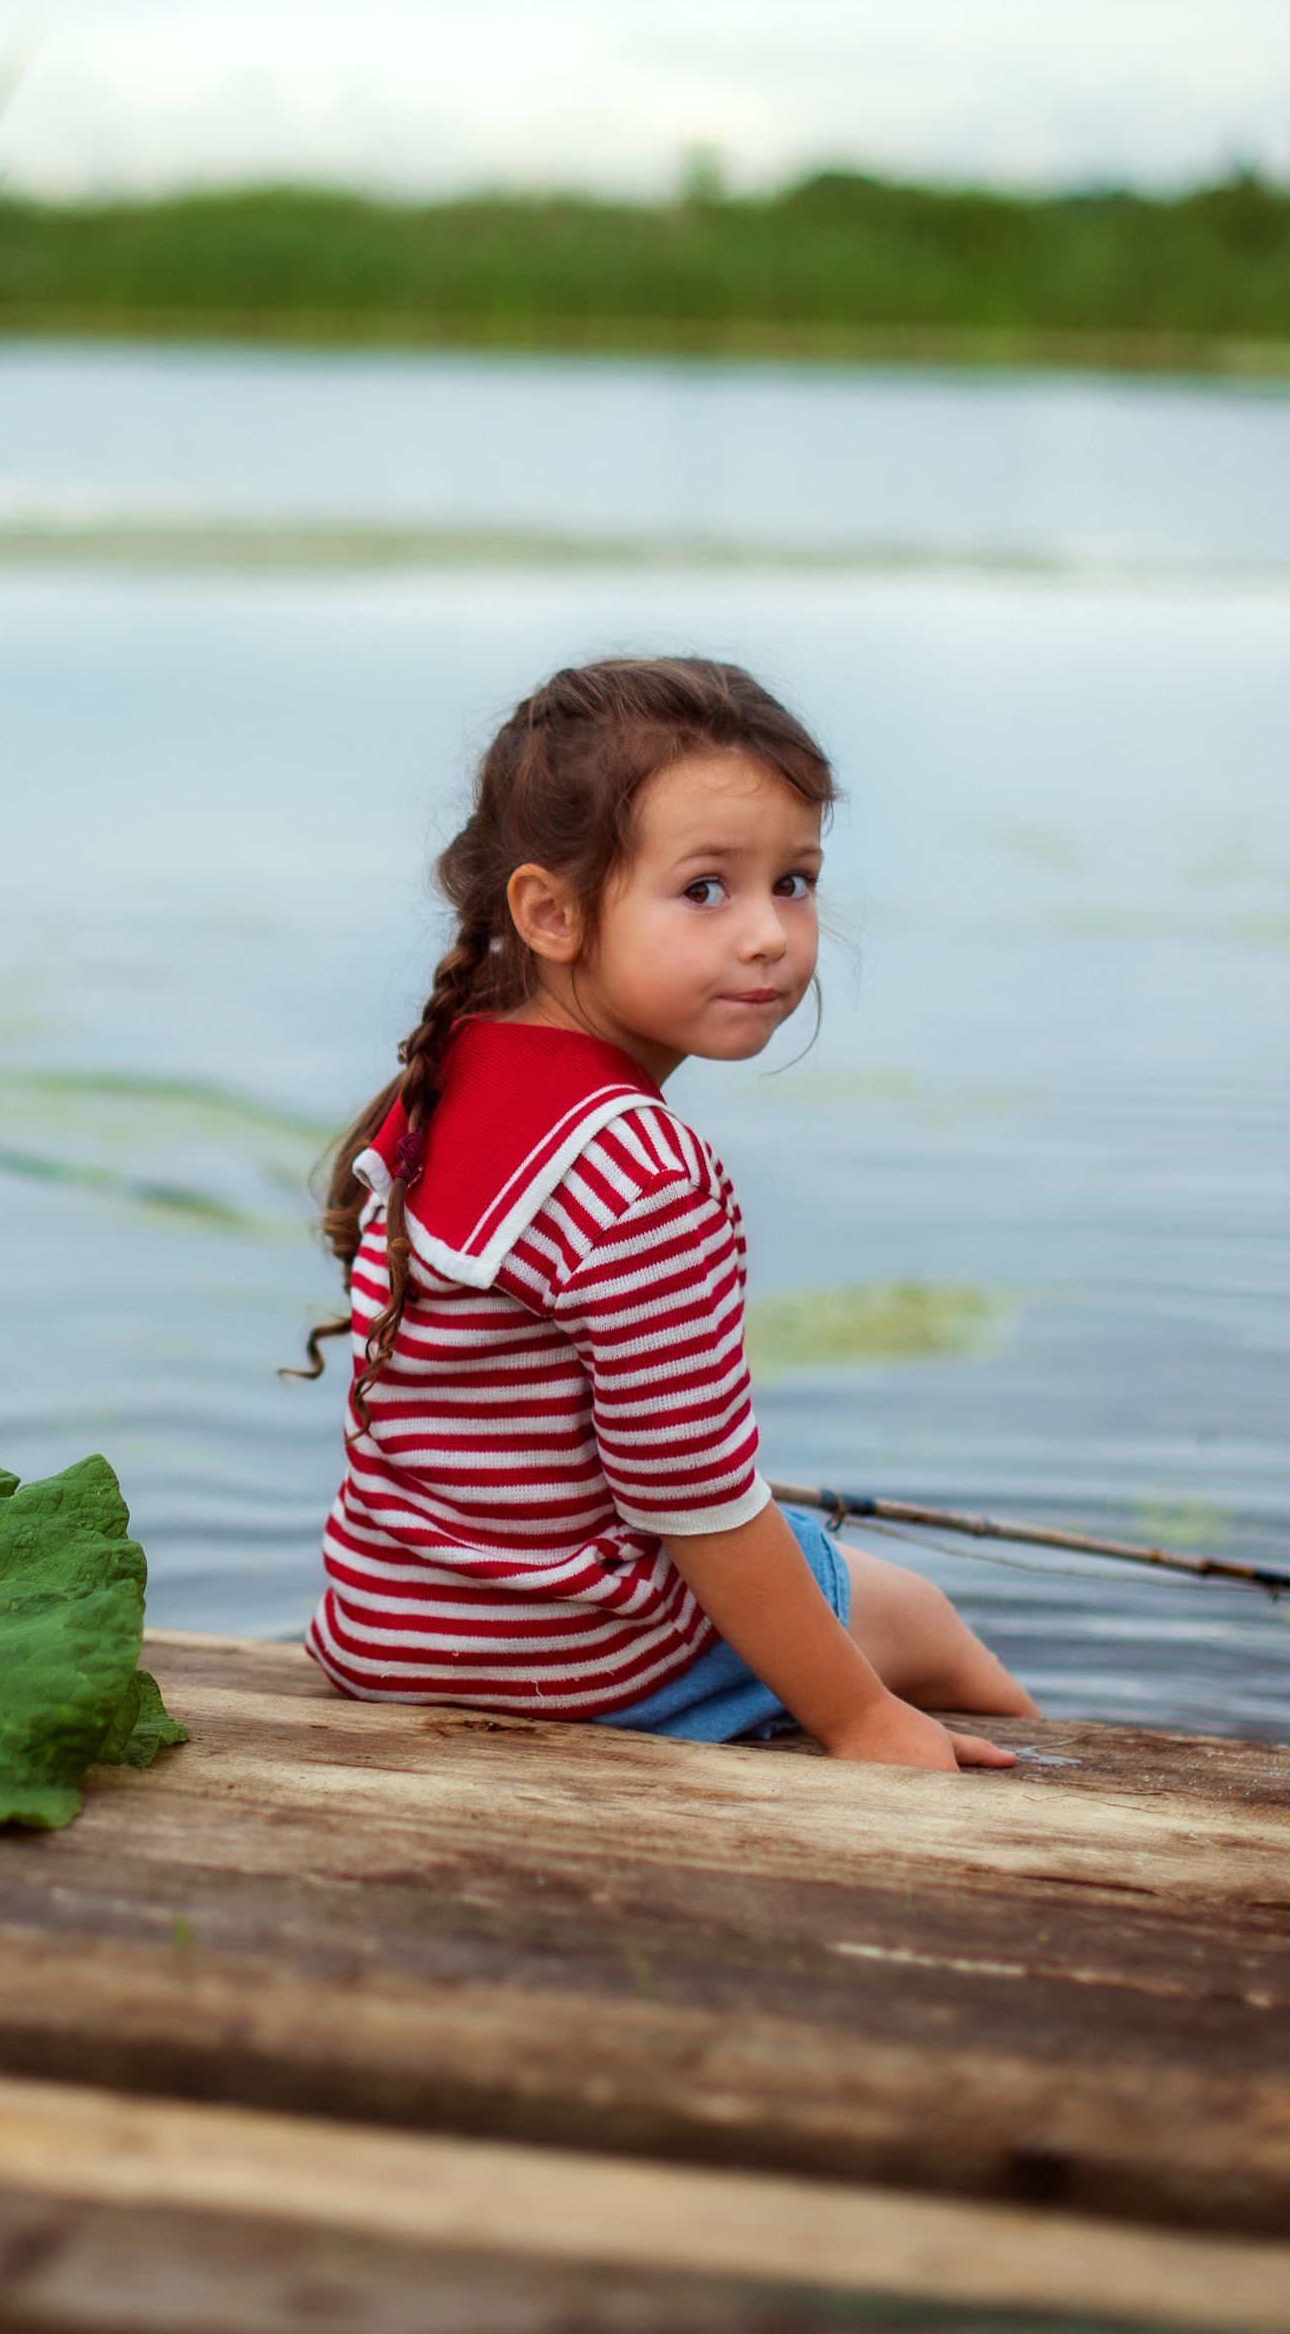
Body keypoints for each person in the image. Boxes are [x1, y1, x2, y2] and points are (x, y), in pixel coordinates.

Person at [296, 656, 1039, 1770]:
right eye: (705, 889)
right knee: (921, 1623)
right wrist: (862, 1721)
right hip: (567, 1654)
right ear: (548, 911)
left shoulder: (444, 1074)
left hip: (387, 1624)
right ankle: (1064, 1793)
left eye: (794, 881)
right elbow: (698, 1504)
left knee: (826, 1570)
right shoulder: (641, 1172)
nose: (767, 936)